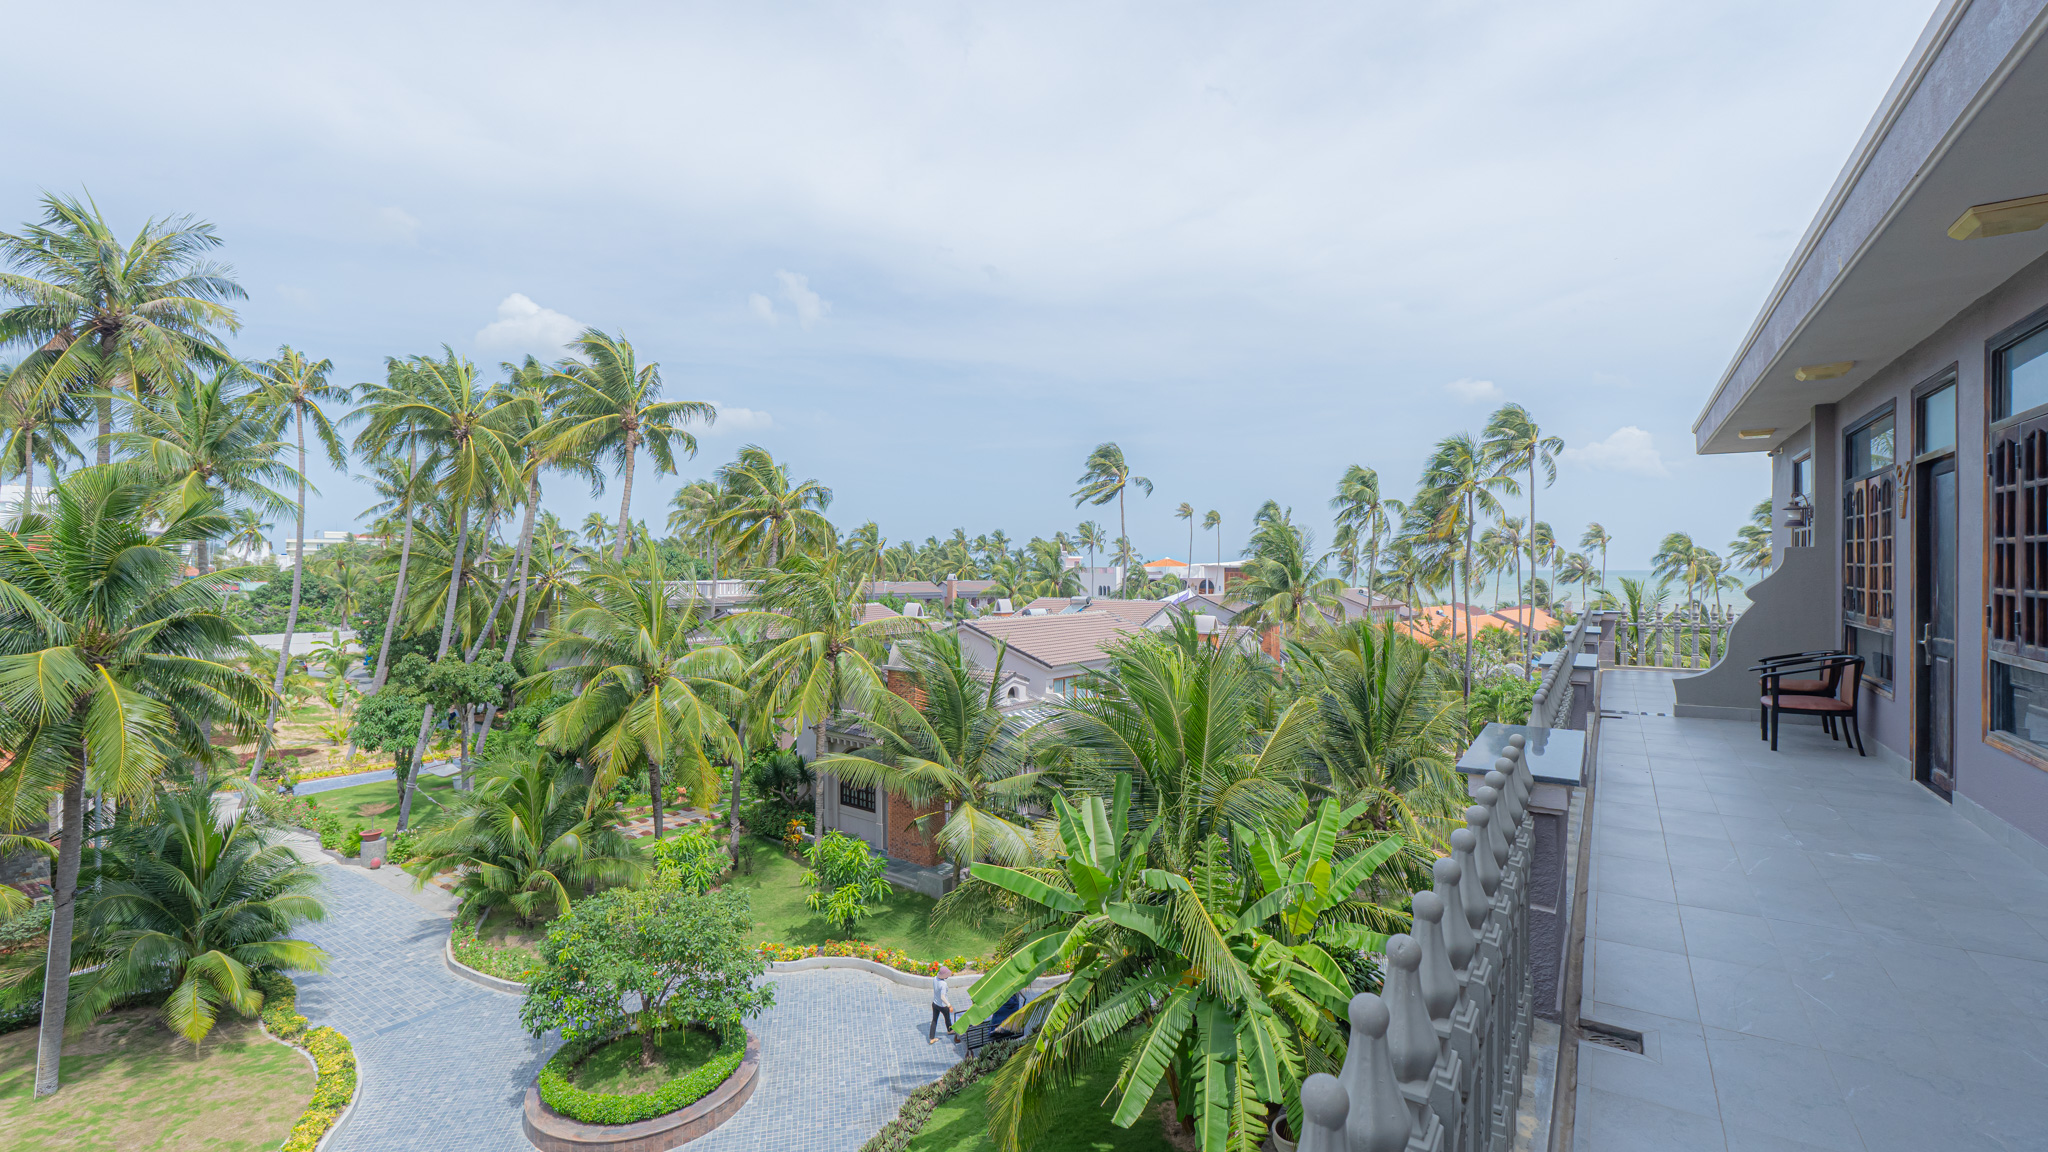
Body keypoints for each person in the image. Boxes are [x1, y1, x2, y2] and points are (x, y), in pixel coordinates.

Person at [928, 965, 954, 1043]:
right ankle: (949, 1030)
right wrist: (949, 1005)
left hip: (935, 1003)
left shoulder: (935, 978)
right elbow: (942, 997)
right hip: (942, 1005)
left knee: (934, 1020)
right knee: (947, 1018)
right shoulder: (943, 984)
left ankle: (932, 1038)